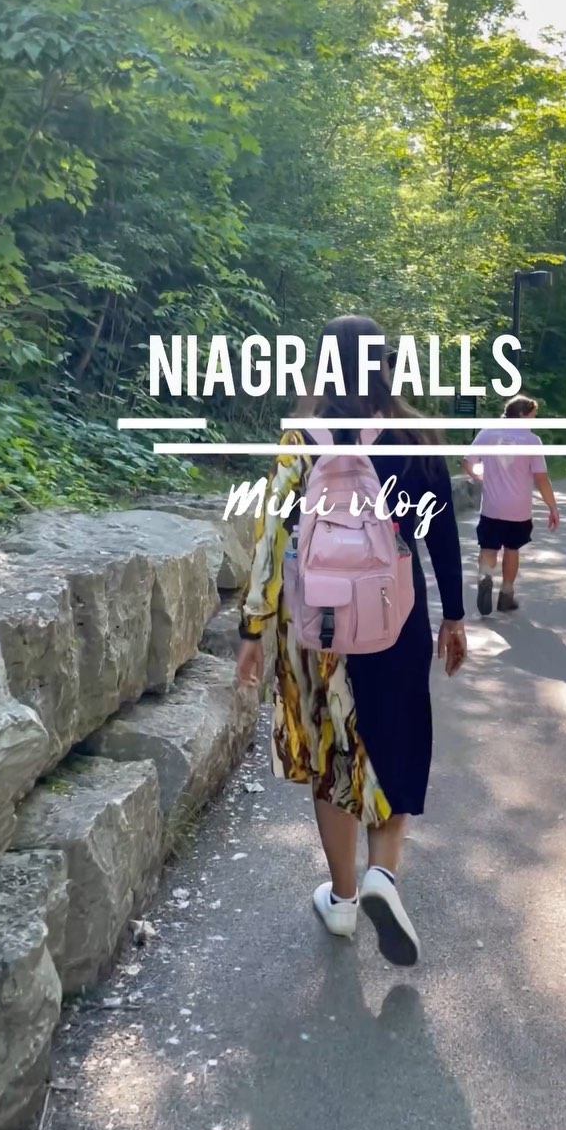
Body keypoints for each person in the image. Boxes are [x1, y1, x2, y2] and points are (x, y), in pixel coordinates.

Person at [236, 315, 467, 966]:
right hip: (395, 615)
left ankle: (341, 900)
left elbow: (272, 536)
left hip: (320, 628)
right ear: (385, 364)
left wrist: (254, 627)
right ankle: (382, 874)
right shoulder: (414, 433)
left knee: (333, 757)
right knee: (397, 739)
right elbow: (442, 533)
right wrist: (453, 617)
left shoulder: (302, 437)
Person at [462, 394, 559, 616]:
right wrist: (552, 506)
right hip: (519, 510)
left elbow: (468, 462)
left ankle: (486, 574)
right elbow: (541, 478)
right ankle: (506, 594)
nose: (533, 421)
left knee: (488, 548)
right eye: (532, 416)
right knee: (512, 549)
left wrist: (480, 477)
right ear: (522, 414)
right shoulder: (532, 441)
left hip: (491, 508)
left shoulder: (487, 433)